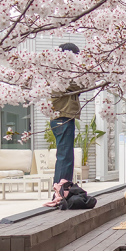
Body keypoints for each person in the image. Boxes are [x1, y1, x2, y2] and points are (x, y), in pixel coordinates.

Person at [49, 43, 82, 188]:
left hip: (63, 117)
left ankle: (64, 189)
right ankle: (60, 191)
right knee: (64, 156)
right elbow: (80, 84)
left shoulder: (59, 71)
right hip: (62, 118)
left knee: (66, 156)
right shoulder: (61, 73)